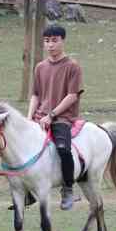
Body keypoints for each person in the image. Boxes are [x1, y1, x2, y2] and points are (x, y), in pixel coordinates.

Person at [28, 24, 84, 211]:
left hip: (62, 118)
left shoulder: (72, 66)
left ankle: (68, 188)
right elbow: (35, 95)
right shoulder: (40, 67)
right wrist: (29, 118)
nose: (50, 45)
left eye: (54, 40)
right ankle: (28, 191)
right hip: (39, 117)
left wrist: (51, 116)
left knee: (63, 150)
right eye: (46, 41)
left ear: (62, 41)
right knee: (22, 150)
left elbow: (72, 95)